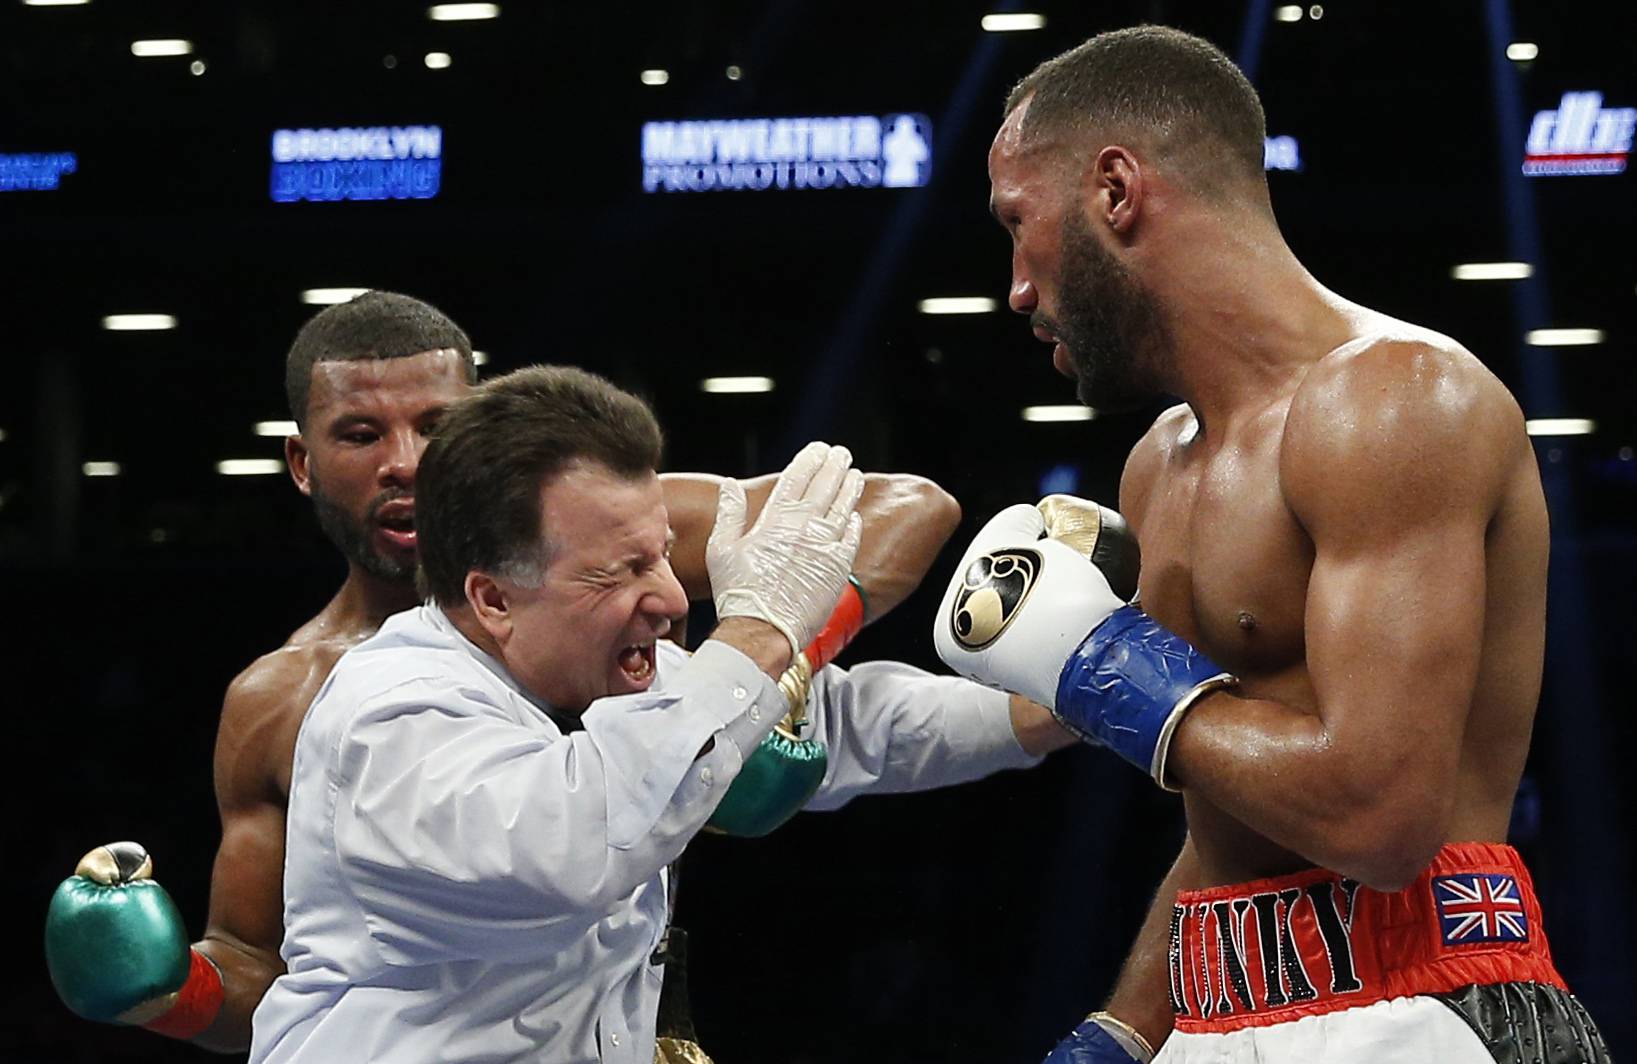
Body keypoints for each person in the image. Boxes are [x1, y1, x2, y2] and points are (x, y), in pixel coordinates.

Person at [43, 291, 982, 1053]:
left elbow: (904, 507)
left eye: (435, 425)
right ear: (302, 461)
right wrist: (173, 995)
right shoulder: (291, 697)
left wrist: (759, 682)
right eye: (361, 434)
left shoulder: (606, 531)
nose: (405, 464)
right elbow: (279, 976)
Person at [937, 25, 1611, 1064]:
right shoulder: (1158, 465)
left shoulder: (1394, 402)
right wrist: (1123, 1031)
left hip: (1420, 1013)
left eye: (1016, 223)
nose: (1016, 288)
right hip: (1219, 1014)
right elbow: (1230, 820)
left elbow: (1377, 815)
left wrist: (1098, 666)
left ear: (1114, 191)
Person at [246, 366, 1062, 1062]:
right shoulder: (389, 716)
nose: (673, 600)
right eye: (620, 572)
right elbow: (573, 839)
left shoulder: (600, 676)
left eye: (663, 555)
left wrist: (1063, 697)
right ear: (493, 598)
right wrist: (758, 628)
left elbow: (841, 729)